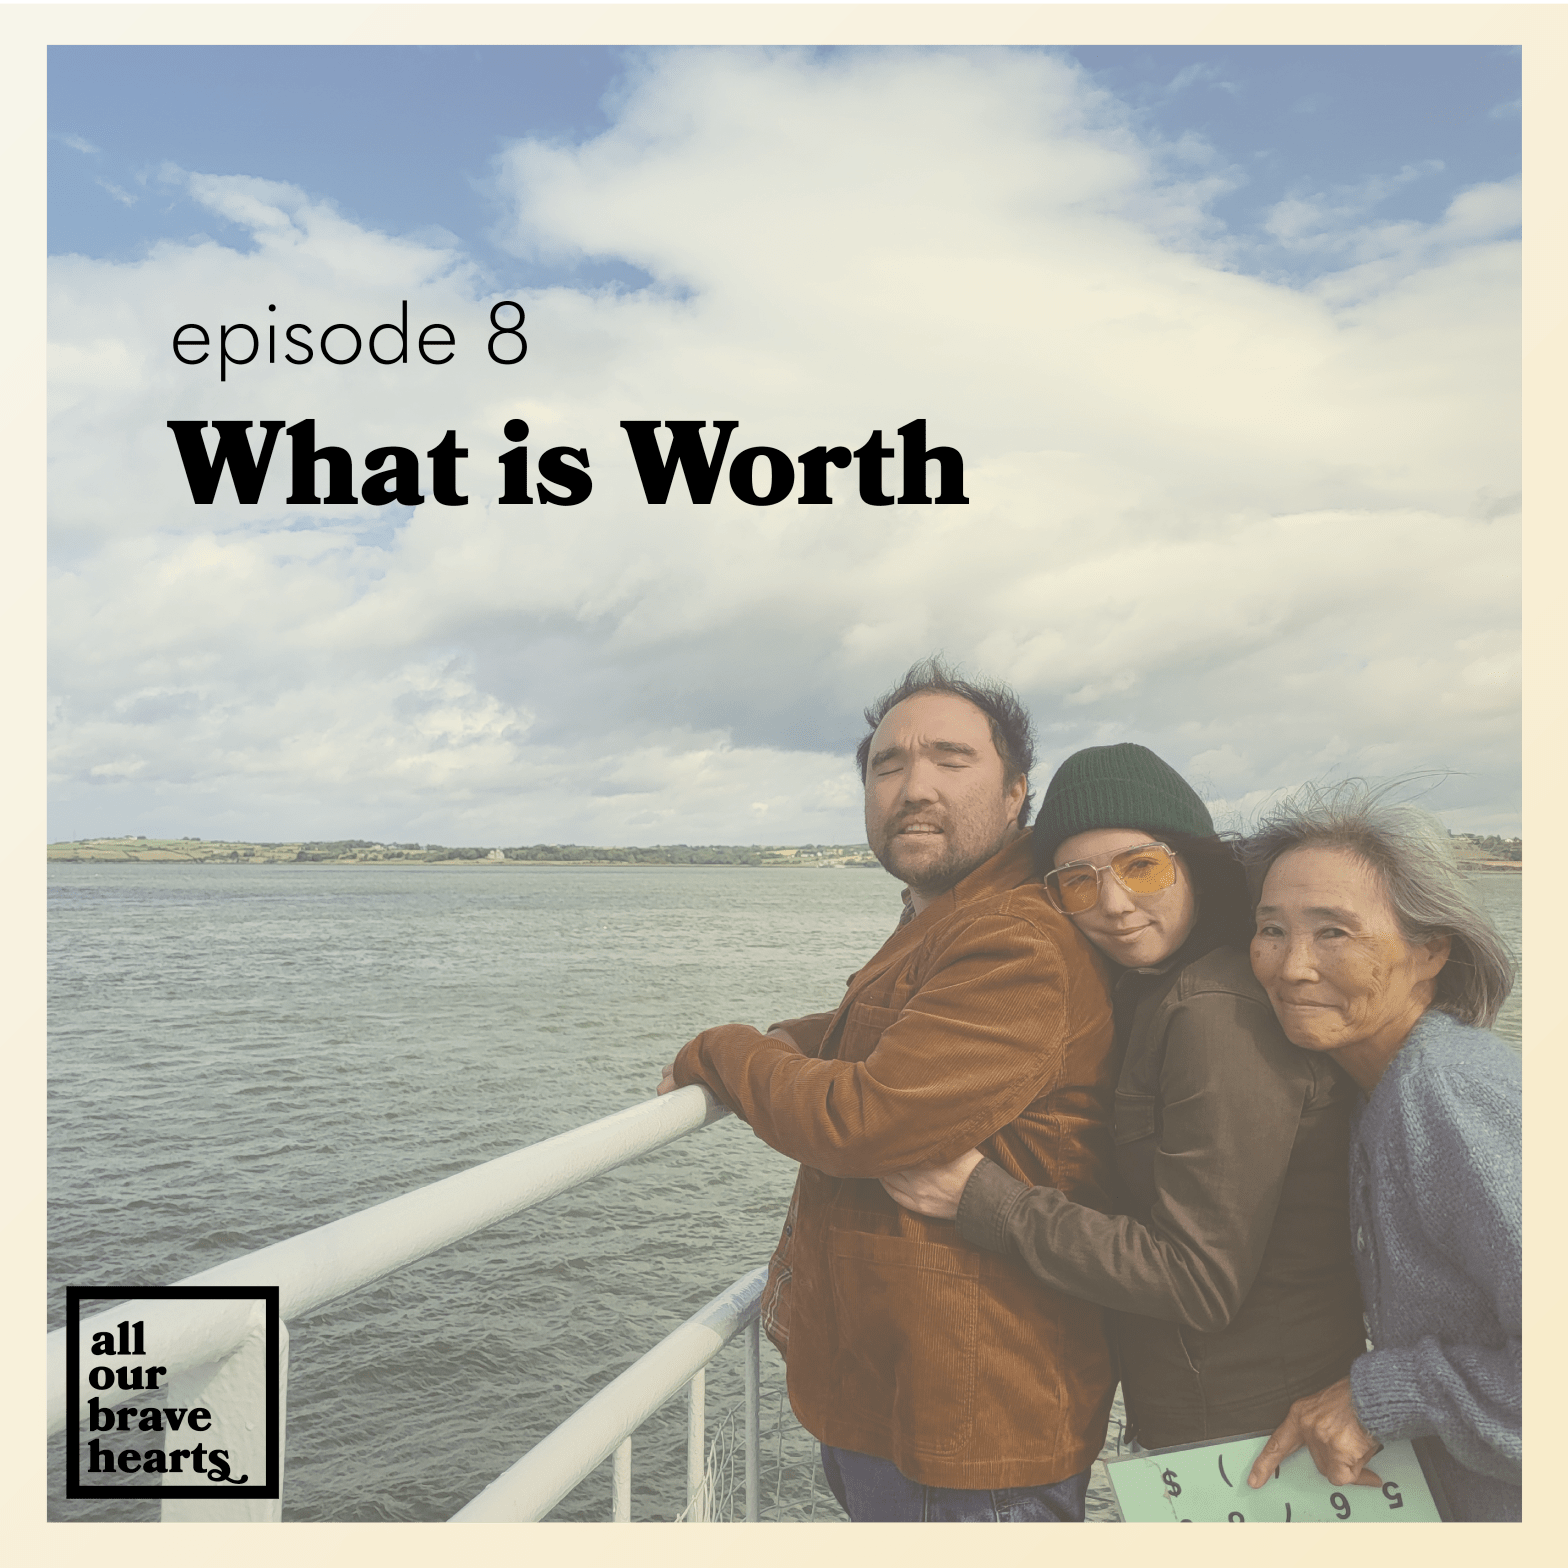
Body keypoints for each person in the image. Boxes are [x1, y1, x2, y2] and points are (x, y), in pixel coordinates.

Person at [656, 658, 1119, 1522]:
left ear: (1018, 791)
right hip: (905, 1401)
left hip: (975, 1432)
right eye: (888, 766)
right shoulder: (949, 913)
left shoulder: (1017, 938)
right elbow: (879, 1033)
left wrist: (722, 1051)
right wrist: (785, 1041)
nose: (914, 787)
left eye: (951, 760)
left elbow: (862, 1118)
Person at [881, 743, 1366, 1451]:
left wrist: (983, 1197)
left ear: (1193, 861)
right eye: (1075, 883)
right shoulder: (1151, 989)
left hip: (1252, 1440)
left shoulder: (1215, 1013)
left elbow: (1197, 1279)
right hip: (1218, 1419)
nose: (1112, 905)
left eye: (1142, 867)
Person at [1239, 781, 1520, 1522]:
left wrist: (1380, 1396)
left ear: (1430, 951)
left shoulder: (1448, 1093)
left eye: (1333, 932)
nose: (1291, 966)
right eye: (1271, 928)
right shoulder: (1377, 1086)